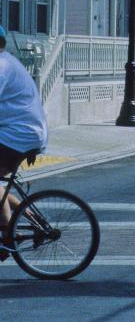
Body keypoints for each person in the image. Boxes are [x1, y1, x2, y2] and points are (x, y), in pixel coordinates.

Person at [0, 25, 49, 260]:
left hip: (19, 134)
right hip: (21, 132)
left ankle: (8, 238)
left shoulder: (3, 65)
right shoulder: (8, 61)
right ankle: (33, 220)